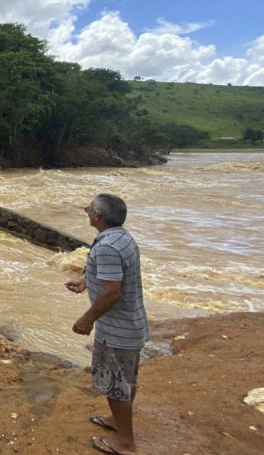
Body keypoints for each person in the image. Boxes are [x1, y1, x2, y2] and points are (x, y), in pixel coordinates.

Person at [64, 194, 148, 455]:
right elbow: (114, 277)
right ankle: (117, 422)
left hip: (117, 331)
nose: (87, 212)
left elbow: (112, 292)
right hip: (130, 325)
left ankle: (126, 443)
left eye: (88, 209)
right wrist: (87, 282)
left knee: (116, 386)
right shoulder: (121, 238)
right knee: (124, 383)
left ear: (97, 217)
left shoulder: (107, 247)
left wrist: (87, 318)